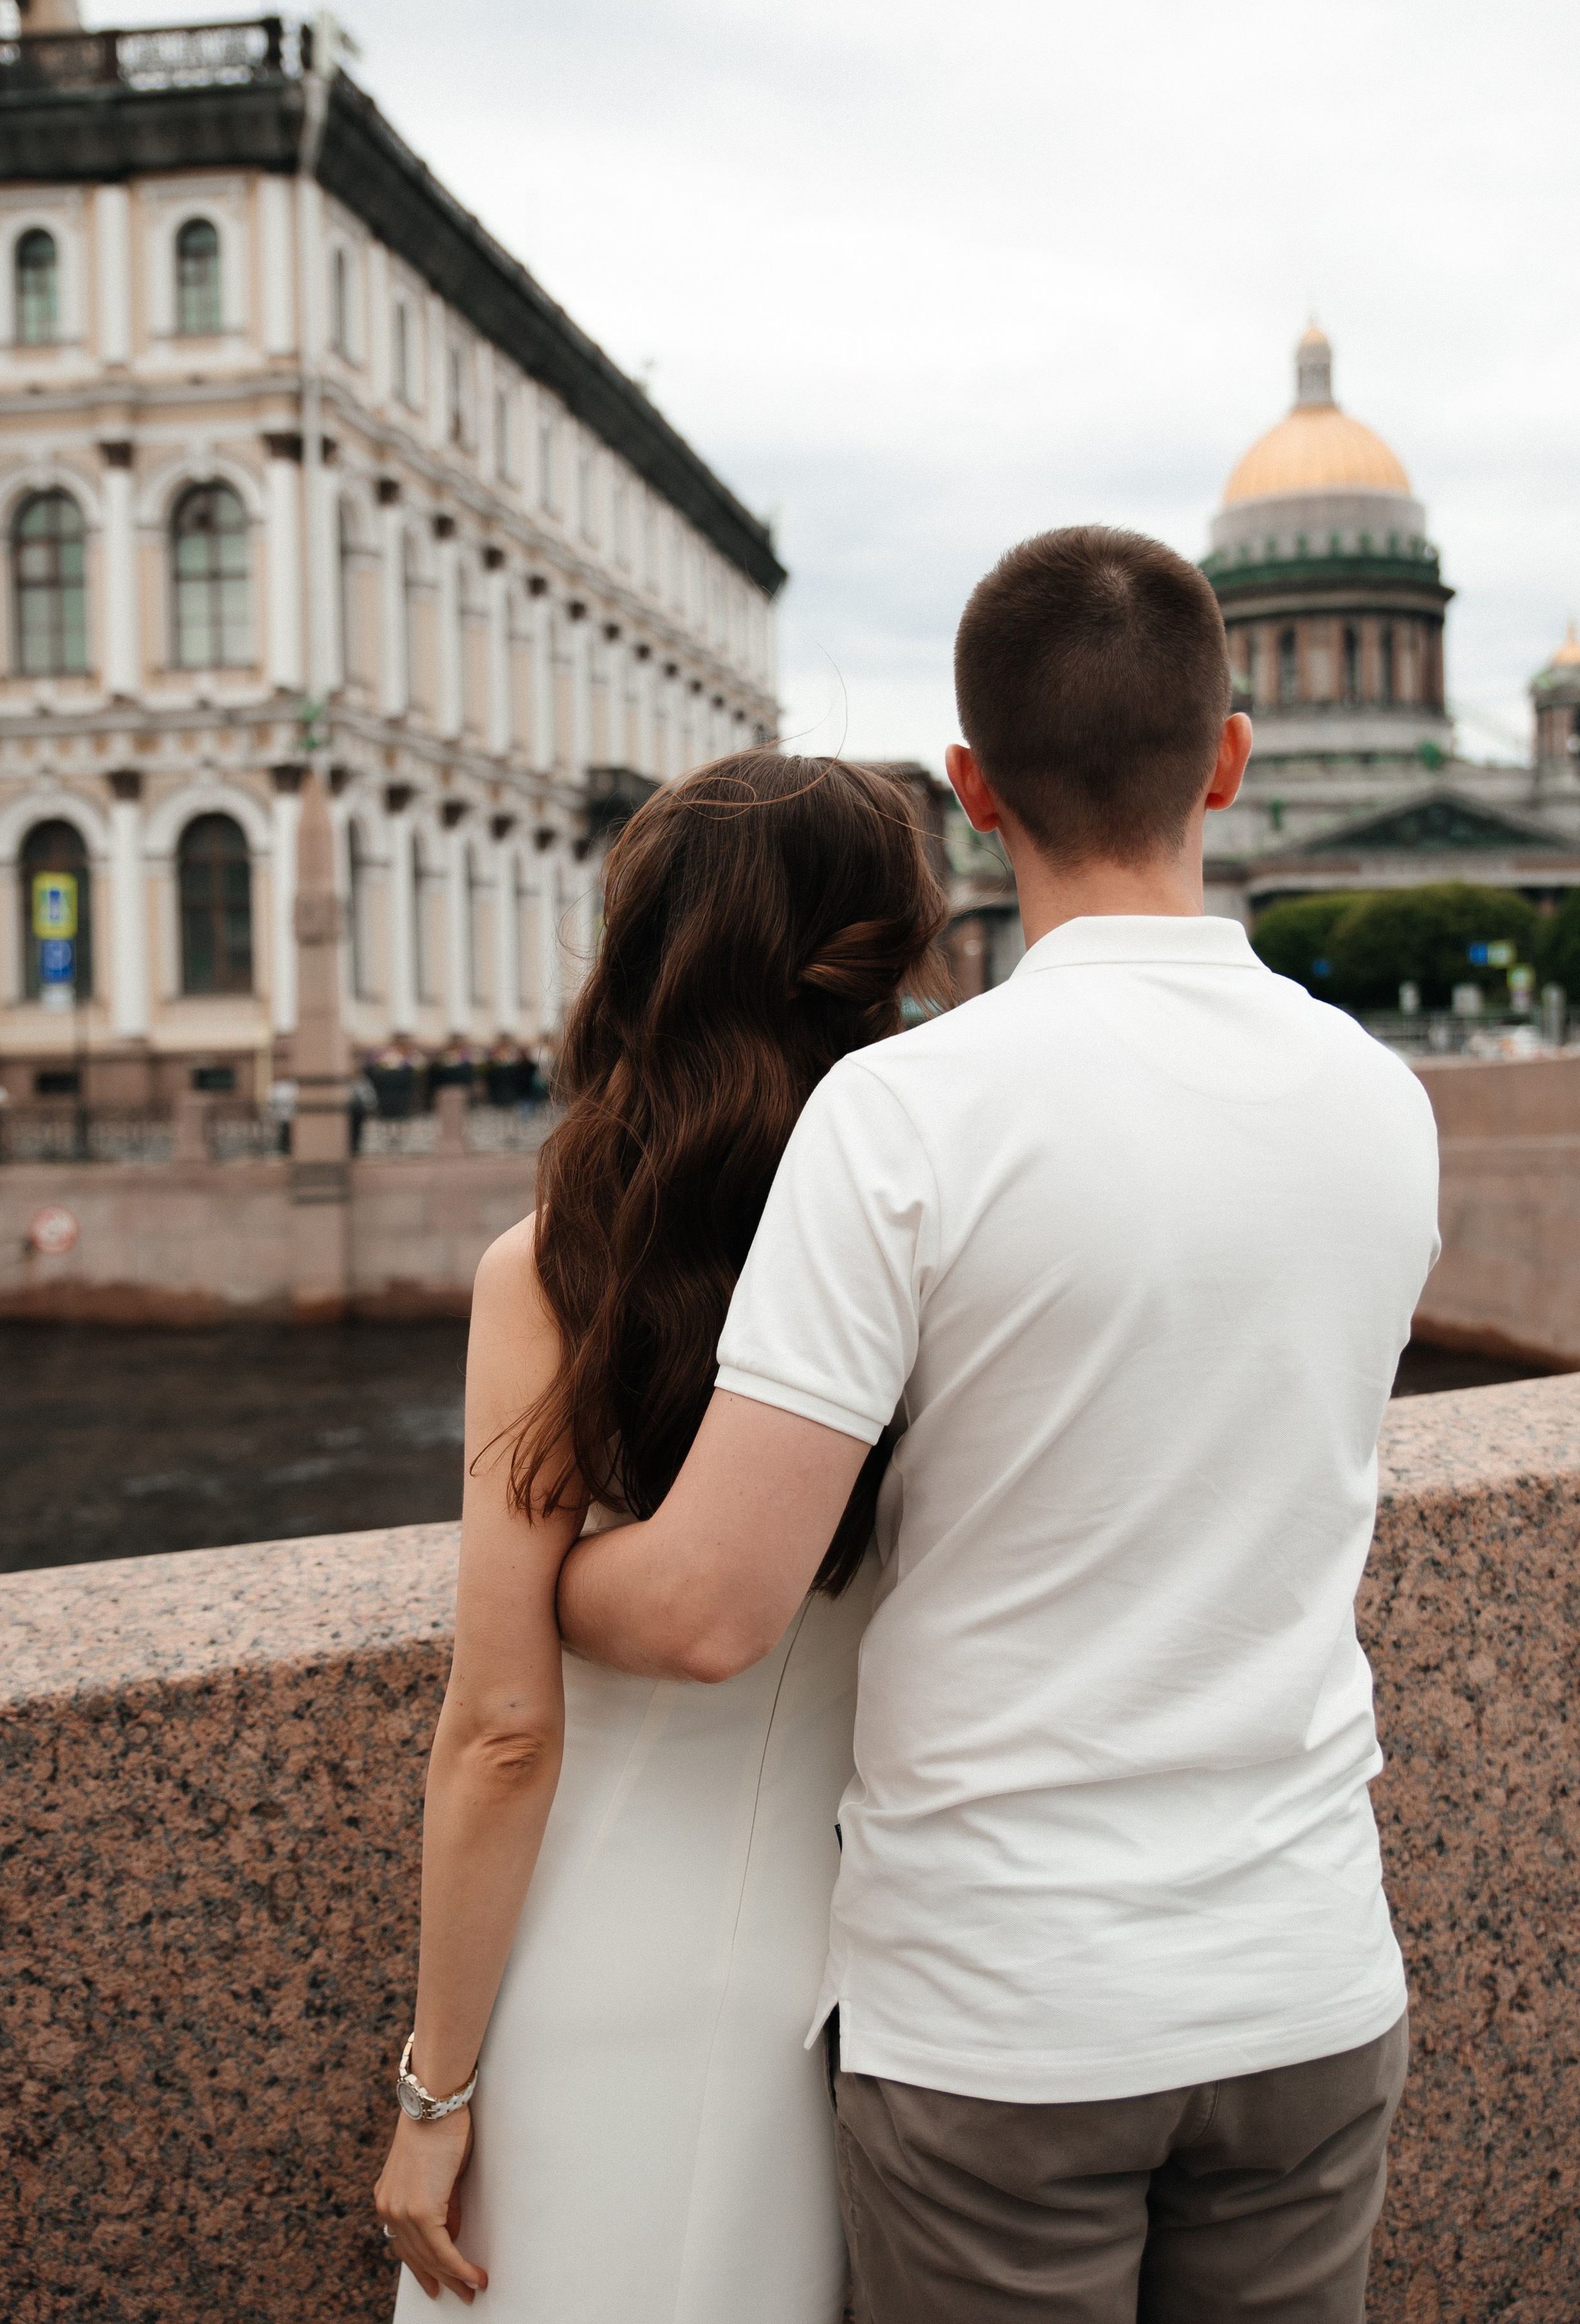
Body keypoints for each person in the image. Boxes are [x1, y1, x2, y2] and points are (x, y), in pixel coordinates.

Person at [557, 527, 1442, 2323]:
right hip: (1307, 1978)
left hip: (1007, 2017)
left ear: (970, 792)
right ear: (1229, 758)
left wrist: (540, 1577)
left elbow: (716, 1608)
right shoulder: (1382, 1102)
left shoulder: (906, 1118)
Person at [375, 751, 947, 2317]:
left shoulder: (557, 1262)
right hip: (852, 1993)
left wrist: (432, 2097)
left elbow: (499, 1732)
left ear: (644, 949)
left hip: (597, 1973)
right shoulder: (943, 1235)